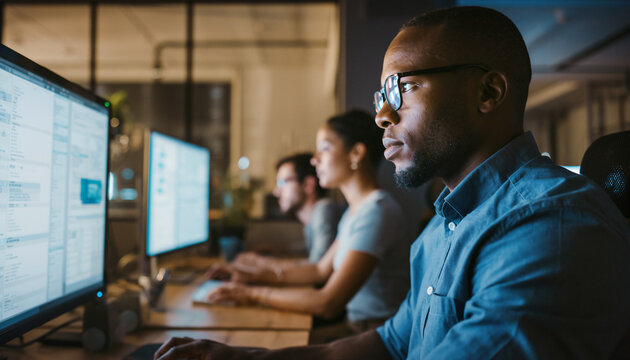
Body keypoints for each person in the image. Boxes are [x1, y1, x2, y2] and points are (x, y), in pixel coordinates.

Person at [154, 6, 630, 360]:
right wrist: (246, 357)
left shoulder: (550, 226)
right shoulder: (442, 227)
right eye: (381, 94)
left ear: (488, 92)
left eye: (402, 89)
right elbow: (388, 343)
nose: (382, 115)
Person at [205, 110, 412, 336]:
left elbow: (328, 302)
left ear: (356, 153)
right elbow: (318, 270)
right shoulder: (357, 211)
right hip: (357, 329)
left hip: (378, 335)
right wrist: (251, 276)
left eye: (324, 148)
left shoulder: (377, 211)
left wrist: (251, 293)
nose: (315, 159)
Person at [222, 153, 343, 275]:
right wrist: (274, 250)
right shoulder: (312, 220)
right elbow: (306, 249)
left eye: (282, 182)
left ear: (308, 185)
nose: (276, 192)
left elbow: (316, 268)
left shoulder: (324, 211)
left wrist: (262, 263)